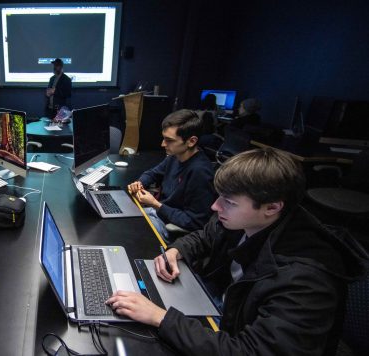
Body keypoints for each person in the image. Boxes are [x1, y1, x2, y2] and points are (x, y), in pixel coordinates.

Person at [107, 148, 368, 355]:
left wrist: (160, 318)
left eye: (228, 202)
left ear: (272, 207)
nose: (215, 206)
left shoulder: (305, 281)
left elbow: (250, 351)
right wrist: (176, 250)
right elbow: (205, 236)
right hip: (227, 313)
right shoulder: (245, 219)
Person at [127, 109, 216, 241]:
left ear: (191, 141)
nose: (163, 144)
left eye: (169, 140)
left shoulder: (200, 172)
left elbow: (196, 222)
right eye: (164, 138)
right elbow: (152, 173)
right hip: (158, 212)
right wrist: (140, 183)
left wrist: (156, 205)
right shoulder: (175, 156)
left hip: (170, 225)